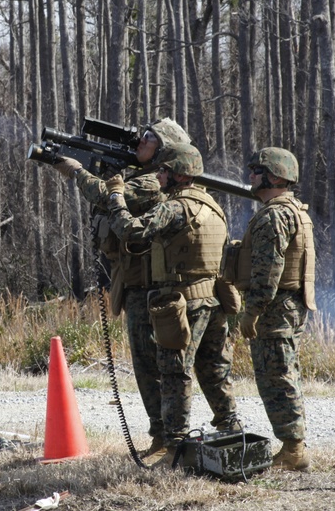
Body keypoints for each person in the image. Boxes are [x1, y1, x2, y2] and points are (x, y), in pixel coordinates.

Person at [51, 118, 190, 459]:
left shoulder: (150, 182)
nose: (141, 141)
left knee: (154, 367)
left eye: (149, 138)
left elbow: (107, 194)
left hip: (148, 287)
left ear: (165, 150)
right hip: (135, 284)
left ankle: (169, 441)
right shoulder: (140, 176)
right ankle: (160, 438)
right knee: (144, 367)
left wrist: (75, 171)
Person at [104, 142, 242, 467]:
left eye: (163, 171)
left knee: (174, 373)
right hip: (214, 301)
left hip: (184, 304)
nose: (159, 176)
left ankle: (175, 449)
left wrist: (115, 195)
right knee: (213, 371)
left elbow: (130, 231)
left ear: (178, 175)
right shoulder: (213, 205)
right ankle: (232, 430)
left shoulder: (176, 207)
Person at [234, 147, 316, 472]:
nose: (251, 175)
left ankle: (294, 449)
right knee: (284, 374)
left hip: (275, 308)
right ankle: (293, 444)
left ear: (276, 176)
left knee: (276, 376)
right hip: (287, 305)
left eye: (257, 170)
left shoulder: (274, 215)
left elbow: (269, 269)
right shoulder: (295, 211)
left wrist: (251, 312)